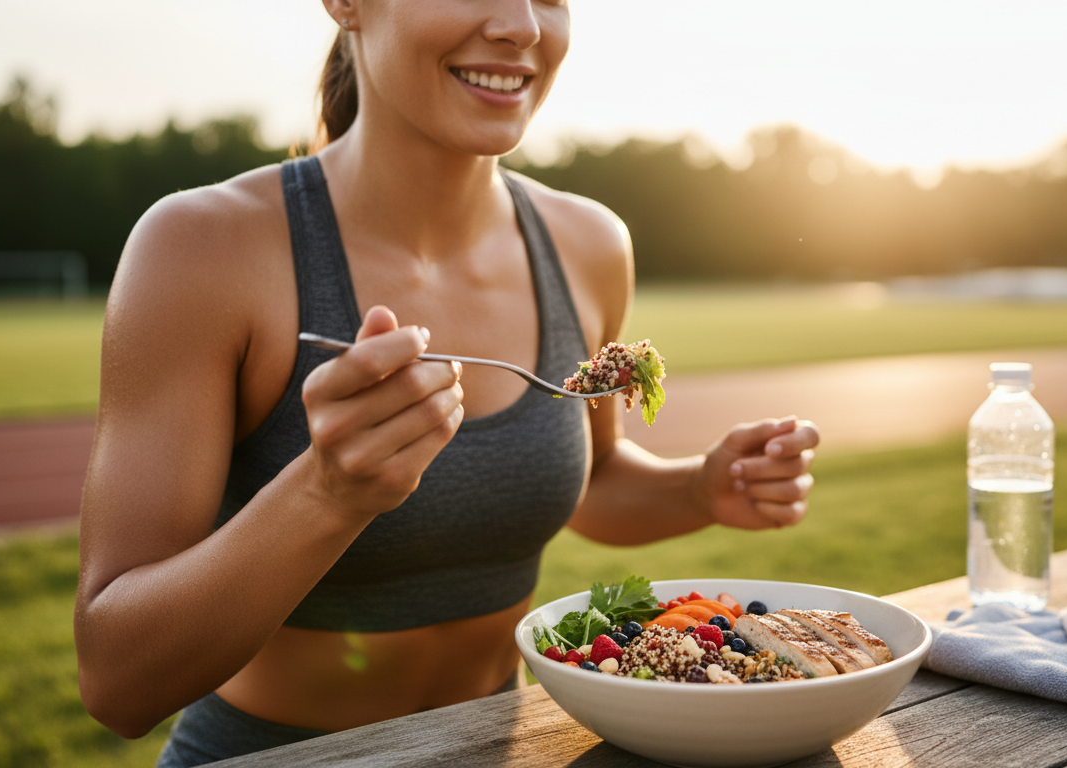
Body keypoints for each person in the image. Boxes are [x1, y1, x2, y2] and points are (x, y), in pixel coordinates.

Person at [73, 1, 820, 765]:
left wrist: (701, 488)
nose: (522, 26)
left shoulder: (589, 244)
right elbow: (118, 683)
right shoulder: (202, 248)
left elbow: (589, 477)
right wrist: (327, 493)